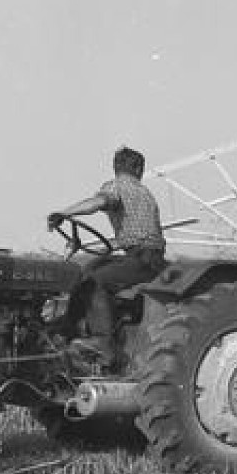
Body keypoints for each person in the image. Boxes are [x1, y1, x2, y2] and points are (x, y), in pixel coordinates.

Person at [47, 145, 166, 366]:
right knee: (86, 272)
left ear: (116, 167)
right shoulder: (144, 192)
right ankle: (67, 331)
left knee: (94, 282)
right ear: (139, 168)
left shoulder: (117, 186)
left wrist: (64, 213)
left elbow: (97, 203)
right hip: (146, 256)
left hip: (143, 259)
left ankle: (103, 343)